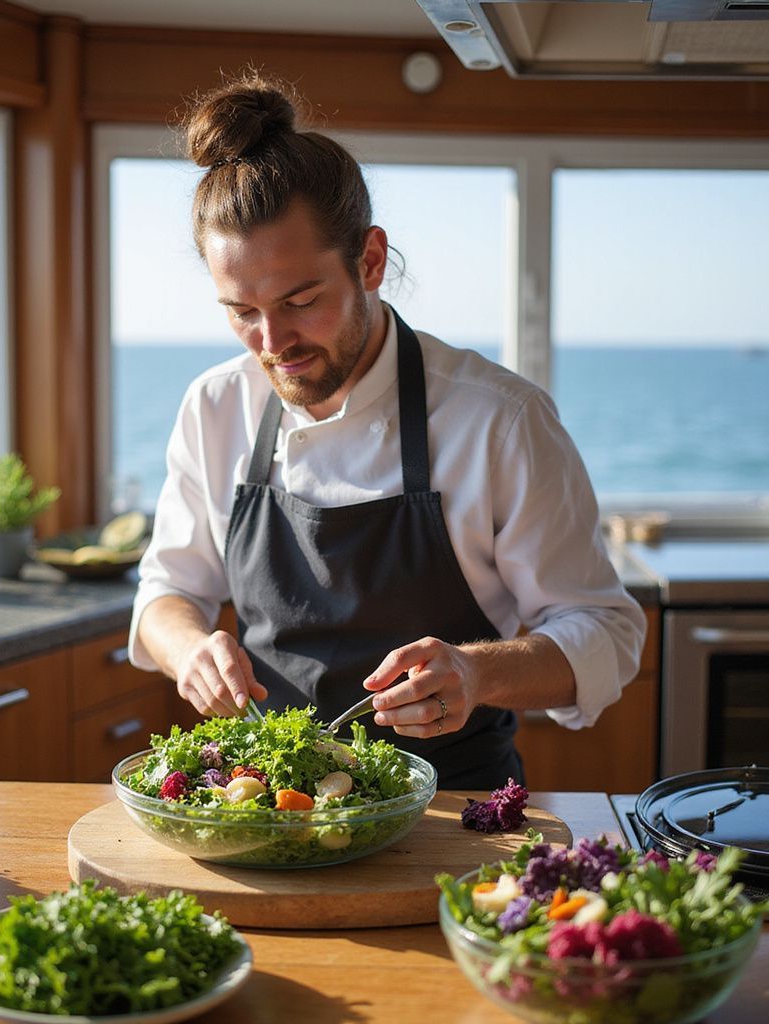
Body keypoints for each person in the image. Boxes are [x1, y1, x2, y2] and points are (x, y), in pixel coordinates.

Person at [128, 73, 646, 789]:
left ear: (370, 261)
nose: (272, 341)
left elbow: (607, 635)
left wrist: (476, 670)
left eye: (300, 300)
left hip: (456, 815)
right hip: (268, 809)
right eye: (241, 311)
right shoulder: (216, 406)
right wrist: (189, 651)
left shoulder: (498, 419)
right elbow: (166, 593)